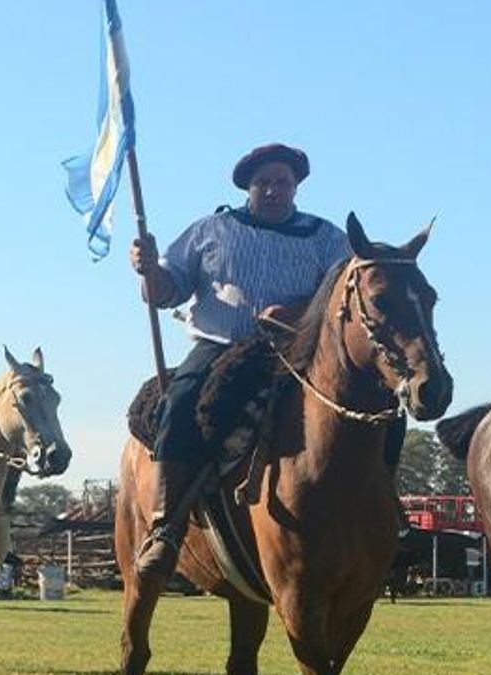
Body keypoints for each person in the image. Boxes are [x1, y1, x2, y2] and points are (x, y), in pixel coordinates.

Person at [128, 143, 356, 581]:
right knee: (181, 405)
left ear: (296, 188)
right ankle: (165, 527)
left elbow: (346, 291)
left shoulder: (326, 238)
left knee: (370, 407)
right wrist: (149, 271)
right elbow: (167, 290)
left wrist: (297, 310)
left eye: (282, 183)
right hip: (222, 348)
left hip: (299, 354)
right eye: (263, 183)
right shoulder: (212, 229)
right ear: (248, 188)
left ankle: (377, 514)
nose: (273, 190)